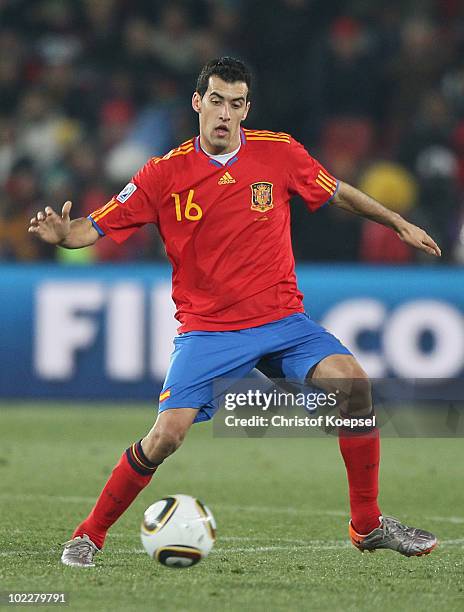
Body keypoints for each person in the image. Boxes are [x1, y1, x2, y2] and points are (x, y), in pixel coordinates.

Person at [28, 57, 441, 567]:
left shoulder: (278, 153)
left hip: (283, 321)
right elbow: (90, 229)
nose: (226, 113)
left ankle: (368, 524)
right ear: (198, 103)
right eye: (217, 100)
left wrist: (397, 222)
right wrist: (62, 236)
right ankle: (88, 534)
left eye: (237, 103)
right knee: (166, 436)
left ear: (247, 108)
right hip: (210, 331)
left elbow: (339, 193)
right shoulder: (163, 174)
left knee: (354, 385)